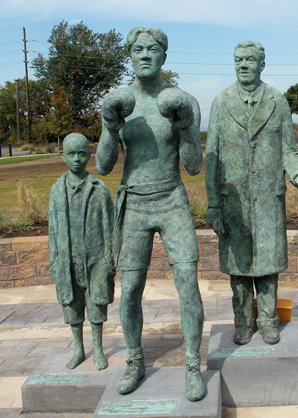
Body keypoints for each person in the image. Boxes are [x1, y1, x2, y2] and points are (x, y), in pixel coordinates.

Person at [96, 27, 205, 401]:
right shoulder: (120, 103)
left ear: (163, 56)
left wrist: (186, 126)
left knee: (188, 284)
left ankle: (193, 364)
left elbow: (193, 167)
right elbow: (103, 165)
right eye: (138, 49)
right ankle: (135, 361)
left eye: (153, 49)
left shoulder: (183, 100)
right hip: (135, 204)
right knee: (129, 294)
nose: (145, 55)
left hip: (172, 198)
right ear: (130, 55)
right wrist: (111, 127)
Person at [205, 41, 298, 346]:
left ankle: (267, 320)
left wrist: (297, 171)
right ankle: (243, 322)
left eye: (250, 60)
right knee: (238, 269)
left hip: (267, 200)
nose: (243, 65)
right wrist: (213, 206)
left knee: (267, 266)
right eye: (238, 60)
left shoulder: (277, 101)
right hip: (233, 202)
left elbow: (288, 149)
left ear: (262, 65)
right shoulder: (221, 102)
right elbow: (211, 157)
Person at [49, 133, 115, 372]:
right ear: (63, 156)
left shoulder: (98, 188)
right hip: (68, 260)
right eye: (72, 154)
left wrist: (109, 259)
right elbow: (52, 229)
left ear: (89, 155)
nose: (77, 159)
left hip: (96, 259)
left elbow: (110, 225)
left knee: (97, 305)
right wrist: (55, 260)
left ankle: (98, 349)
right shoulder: (57, 190)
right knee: (72, 305)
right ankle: (79, 349)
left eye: (82, 154)